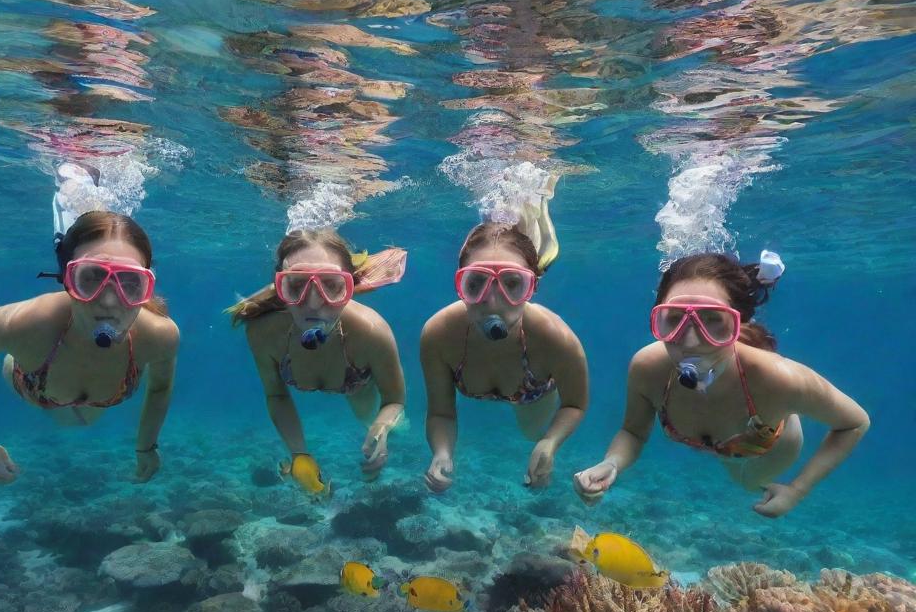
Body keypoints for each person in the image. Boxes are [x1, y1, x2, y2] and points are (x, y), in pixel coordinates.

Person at [573, 252, 870, 518]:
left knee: (746, 482)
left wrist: (796, 491)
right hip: (726, 442)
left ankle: (784, 413)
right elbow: (633, 432)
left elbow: (855, 423)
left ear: (739, 323)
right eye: (674, 319)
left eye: (713, 319)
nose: (689, 340)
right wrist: (611, 463)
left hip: (764, 447)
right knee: (734, 472)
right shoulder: (648, 368)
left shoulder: (780, 379)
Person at [0, 210, 179, 485]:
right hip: (35, 381)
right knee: (70, 418)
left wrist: (147, 447)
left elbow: (160, 387)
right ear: (66, 279)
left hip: (99, 397)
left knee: (81, 419)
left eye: (130, 282)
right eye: (90, 278)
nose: (110, 302)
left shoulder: (161, 335)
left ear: (147, 285)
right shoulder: (26, 325)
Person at [420, 222, 589, 492]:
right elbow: (441, 412)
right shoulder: (439, 334)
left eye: (512, 283)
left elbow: (575, 404)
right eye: (476, 283)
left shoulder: (556, 338)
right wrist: (441, 453)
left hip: (532, 396)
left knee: (532, 433)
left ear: (531, 287)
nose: (493, 300)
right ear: (460, 285)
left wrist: (549, 443)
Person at [230, 228, 406, 479]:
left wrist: (381, 428)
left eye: (332, 286)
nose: (313, 303)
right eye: (296, 286)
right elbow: (277, 395)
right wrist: (298, 454)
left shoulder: (372, 332)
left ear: (349, 288)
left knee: (368, 416)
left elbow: (394, 400)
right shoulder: (263, 332)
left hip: (357, 386)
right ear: (281, 287)